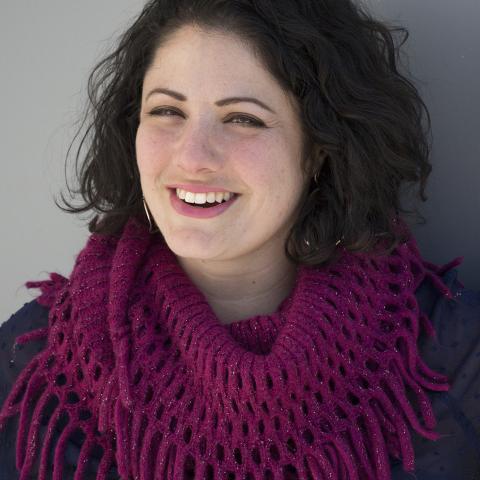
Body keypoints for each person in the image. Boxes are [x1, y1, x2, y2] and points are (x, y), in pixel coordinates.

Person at [1, 0, 479, 479]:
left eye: (243, 119)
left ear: (320, 149)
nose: (193, 156)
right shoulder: (36, 363)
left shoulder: (449, 355)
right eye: (167, 110)